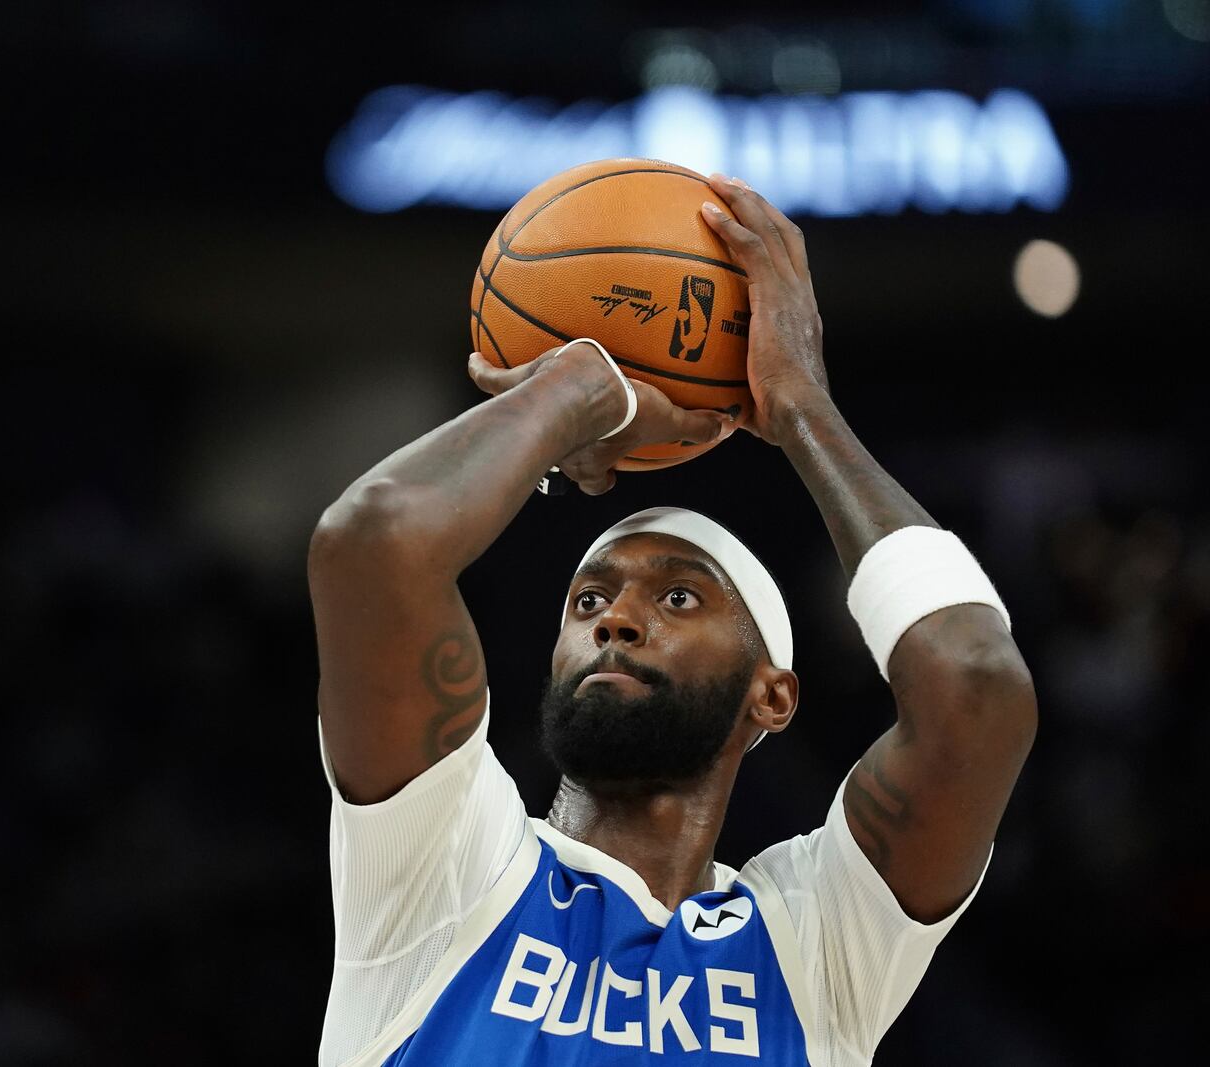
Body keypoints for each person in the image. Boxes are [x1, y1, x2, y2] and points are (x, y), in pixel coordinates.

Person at [307, 174, 1037, 1066]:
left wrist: (803, 407)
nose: (615, 618)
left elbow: (978, 684)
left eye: (679, 596)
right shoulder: (448, 867)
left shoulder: (815, 945)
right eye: (588, 600)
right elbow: (371, 545)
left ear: (772, 695)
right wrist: (583, 386)